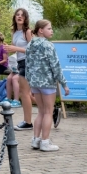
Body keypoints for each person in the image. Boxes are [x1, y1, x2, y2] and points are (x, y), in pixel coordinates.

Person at [25, 20, 69, 152]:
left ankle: (36, 139)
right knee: (48, 112)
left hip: (35, 83)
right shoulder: (49, 46)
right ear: (40, 30)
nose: (52, 31)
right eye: (49, 28)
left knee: (40, 112)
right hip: (47, 82)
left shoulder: (30, 45)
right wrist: (64, 84)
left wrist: (29, 82)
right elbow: (55, 66)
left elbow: (27, 65)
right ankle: (45, 142)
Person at [4, 8, 35, 130]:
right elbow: (14, 49)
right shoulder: (14, 32)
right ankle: (52, 109)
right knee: (26, 93)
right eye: (17, 15)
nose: (19, 17)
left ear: (26, 18)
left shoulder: (27, 32)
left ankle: (28, 122)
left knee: (24, 93)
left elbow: (33, 50)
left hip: (29, 62)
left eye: (22, 15)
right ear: (14, 17)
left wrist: (15, 49)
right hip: (20, 62)